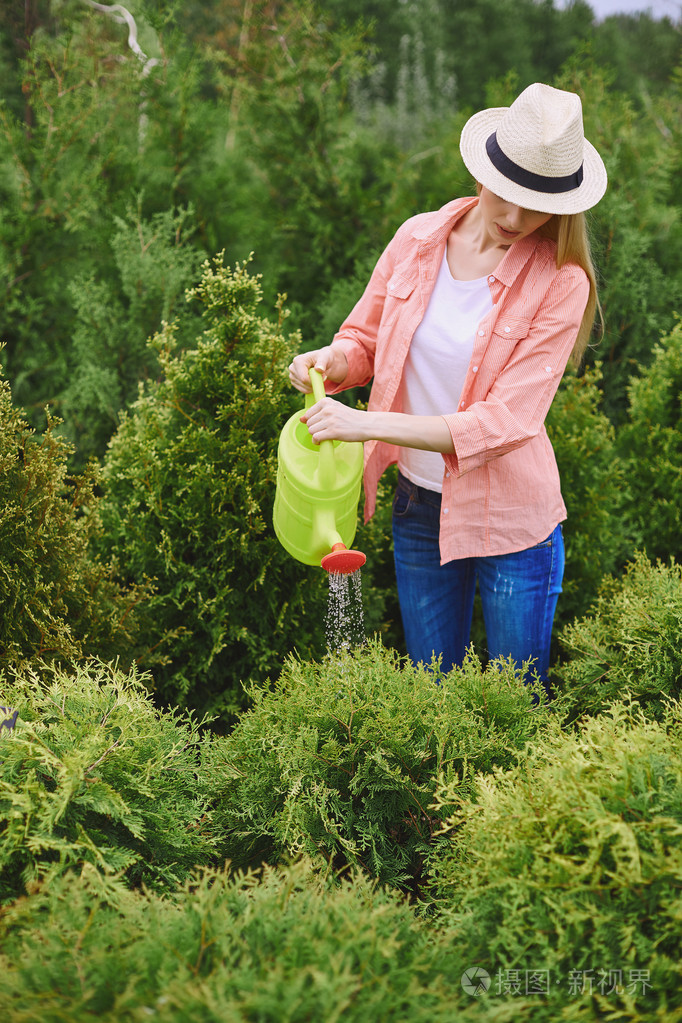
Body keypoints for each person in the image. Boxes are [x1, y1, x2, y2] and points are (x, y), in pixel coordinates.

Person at [288, 82, 607, 692]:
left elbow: (504, 423)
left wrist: (364, 425)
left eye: (537, 204)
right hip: (417, 508)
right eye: (506, 194)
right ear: (484, 171)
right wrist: (329, 360)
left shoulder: (562, 283)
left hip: (515, 523)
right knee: (435, 700)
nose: (515, 218)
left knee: (514, 707)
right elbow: (367, 342)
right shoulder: (416, 240)